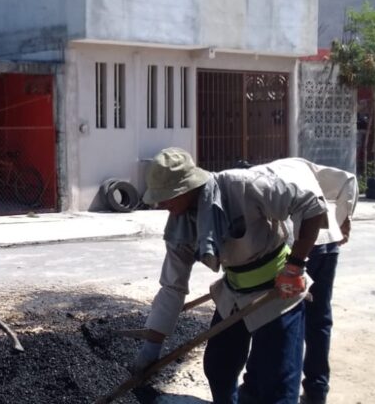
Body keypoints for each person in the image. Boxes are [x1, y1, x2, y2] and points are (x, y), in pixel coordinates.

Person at [131, 148, 332, 404]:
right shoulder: (179, 225)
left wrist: (295, 266)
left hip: (278, 291)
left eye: (167, 198)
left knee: (276, 382)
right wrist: (151, 350)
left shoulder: (242, 186)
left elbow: (310, 205)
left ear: (186, 188)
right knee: (218, 366)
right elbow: (172, 287)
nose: (161, 205)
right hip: (234, 291)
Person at [258, 159, 357, 404]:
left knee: (290, 319)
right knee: (319, 318)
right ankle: (316, 391)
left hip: (300, 247)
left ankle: (282, 391)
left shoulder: (261, 181)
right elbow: (349, 180)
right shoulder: (301, 165)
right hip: (328, 241)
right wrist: (344, 218)